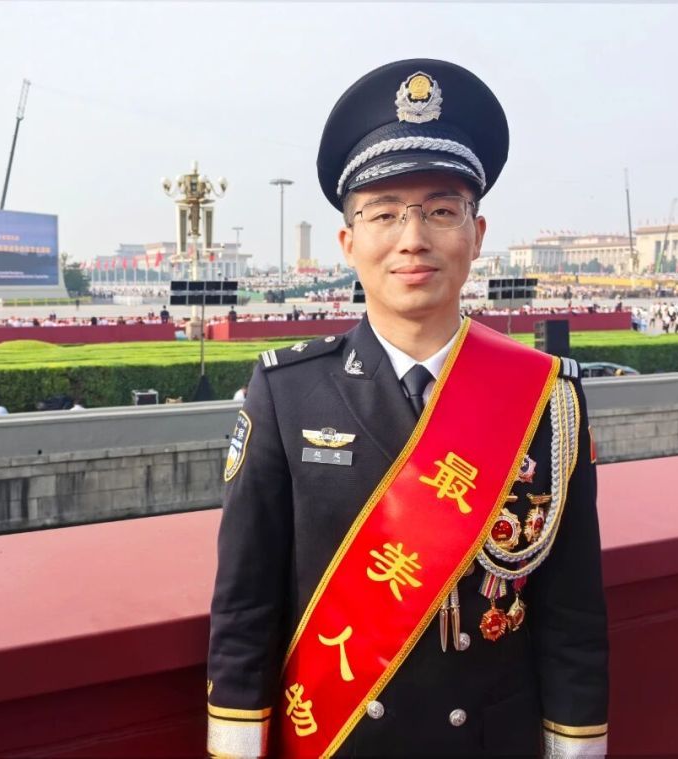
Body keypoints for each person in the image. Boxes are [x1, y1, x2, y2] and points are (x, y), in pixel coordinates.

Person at [207, 59, 608, 757]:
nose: (412, 237)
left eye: (441, 210)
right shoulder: (287, 393)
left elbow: (572, 615)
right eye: (384, 212)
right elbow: (245, 611)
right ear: (348, 243)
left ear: (477, 234)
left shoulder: (547, 400)